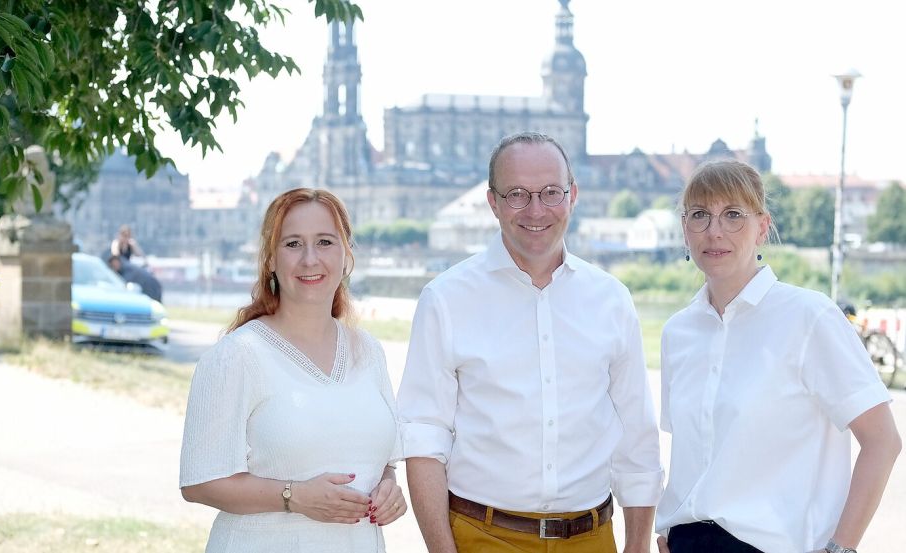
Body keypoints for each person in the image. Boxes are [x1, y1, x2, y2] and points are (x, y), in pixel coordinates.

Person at [398, 131, 663, 553]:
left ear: (572, 195)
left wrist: (636, 546)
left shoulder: (612, 300)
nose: (536, 210)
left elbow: (637, 439)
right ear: (493, 203)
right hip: (481, 537)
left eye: (551, 193)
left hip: (592, 539)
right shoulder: (446, 300)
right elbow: (424, 439)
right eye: (517, 194)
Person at [656, 159, 901, 553]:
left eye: (733, 215)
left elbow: (883, 441)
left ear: (762, 228)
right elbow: (696, 455)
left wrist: (841, 549)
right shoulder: (678, 332)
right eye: (700, 215)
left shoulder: (809, 317)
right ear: (685, 229)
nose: (714, 231)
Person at [179, 188, 406, 552]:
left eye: (325, 242)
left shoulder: (370, 352)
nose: (310, 259)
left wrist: (390, 488)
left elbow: (381, 463)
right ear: (270, 259)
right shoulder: (236, 356)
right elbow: (198, 482)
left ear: (346, 254)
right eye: (293, 244)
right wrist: (293, 496)